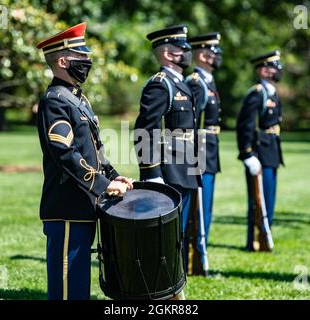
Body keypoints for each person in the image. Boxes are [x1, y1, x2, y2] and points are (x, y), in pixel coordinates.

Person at [36, 22, 133, 300]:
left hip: (83, 202)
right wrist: (102, 185)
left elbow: (94, 150)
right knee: (68, 286)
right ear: (64, 60)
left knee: (79, 283)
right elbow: (65, 154)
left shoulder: (76, 98)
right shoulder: (55, 100)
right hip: (67, 205)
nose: (87, 61)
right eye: (82, 57)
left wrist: (113, 176)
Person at [134, 25, 200, 272]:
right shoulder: (161, 85)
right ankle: (163, 286)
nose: (187, 53)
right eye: (182, 48)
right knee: (168, 236)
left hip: (185, 168)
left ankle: (176, 286)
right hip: (169, 171)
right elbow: (144, 130)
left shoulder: (180, 83)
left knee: (180, 233)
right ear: (168, 53)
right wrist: (152, 173)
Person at [236, 50, 284, 251]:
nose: (277, 70)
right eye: (274, 66)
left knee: (269, 197)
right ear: (264, 70)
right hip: (259, 152)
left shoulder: (272, 91)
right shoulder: (257, 93)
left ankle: (266, 235)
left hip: (271, 150)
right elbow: (245, 125)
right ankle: (254, 241)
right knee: (258, 199)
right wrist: (247, 153)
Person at [185, 32, 223, 272]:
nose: (217, 56)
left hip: (210, 149)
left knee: (205, 207)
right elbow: (192, 124)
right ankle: (194, 258)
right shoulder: (197, 83)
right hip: (200, 152)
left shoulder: (208, 81)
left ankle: (200, 254)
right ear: (201, 54)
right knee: (198, 209)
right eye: (213, 52)